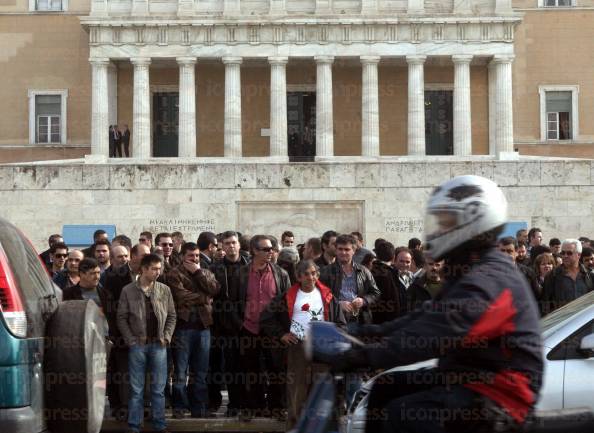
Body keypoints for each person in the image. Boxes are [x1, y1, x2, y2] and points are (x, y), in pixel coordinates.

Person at [331, 175, 543, 433]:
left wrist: (363, 356)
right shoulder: (466, 270)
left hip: (503, 392)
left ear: (474, 224)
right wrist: (358, 333)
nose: (438, 230)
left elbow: (435, 333)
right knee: (385, 388)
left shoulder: (487, 280)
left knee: (405, 414)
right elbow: (422, 317)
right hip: (468, 377)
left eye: (447, 223)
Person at [260, 260, 346, 428]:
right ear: (298, 276)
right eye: (306, 274)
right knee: (297, 389)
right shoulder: (287, 296)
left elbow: (341, 323)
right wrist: (281, 334)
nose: (310, 277)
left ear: (318, 275)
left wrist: (333, 339)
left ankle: (320, 427)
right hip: (297, 347)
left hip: (322, 348)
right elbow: (266, 318)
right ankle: (295, 427)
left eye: (313, 273)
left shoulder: (328, 295)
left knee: (321, 389)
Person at [117, 254, 177, 433]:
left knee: (158, 389)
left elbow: (172, 315)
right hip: (138, 345)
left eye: (159, 268)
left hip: (159, 345)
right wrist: (130, 340)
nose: (158, 272)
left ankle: (159, 425)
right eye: (154, 269)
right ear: (143, 269)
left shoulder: (164, 290)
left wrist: (166, 337)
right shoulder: (128, 290)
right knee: (136, 390)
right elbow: (121, 317)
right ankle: (134, 426)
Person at [164, 242, 220, 419]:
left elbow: (215, 289)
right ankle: (179, 407)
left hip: (203, 328)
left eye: (196, 256)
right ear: (182, 257)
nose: (195, 259)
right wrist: (204, 298)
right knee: (180, 372)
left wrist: (198, 272)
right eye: (191, 256)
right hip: (182, 328)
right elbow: (181, 297)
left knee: (200, 371)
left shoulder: (205, 271)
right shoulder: (174, 274)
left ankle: (199, 408)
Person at [541, 239, 593, 315]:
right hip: (562, 322)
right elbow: (545, 305)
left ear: (579, 255)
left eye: (569, 253)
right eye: (563, 253)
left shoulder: (589, 275)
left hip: (584, 323)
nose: (565, 256)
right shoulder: (552, 276)